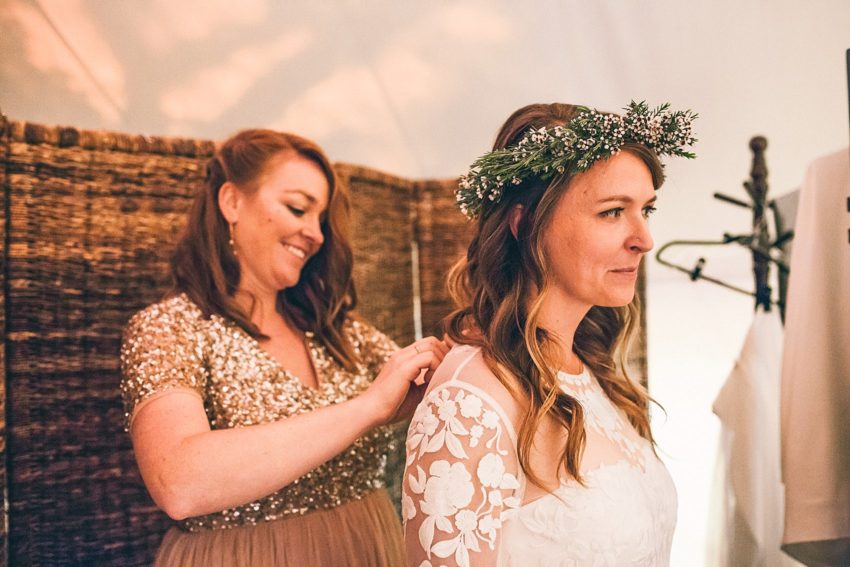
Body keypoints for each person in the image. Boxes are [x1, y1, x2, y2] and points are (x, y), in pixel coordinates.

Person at [120, 128, 448, 567]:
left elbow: (431, 379)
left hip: (368, 547)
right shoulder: (170, 329)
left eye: (323, 221)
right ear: (231, 202)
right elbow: (179, 483)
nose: (314, 233)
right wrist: (367, 407)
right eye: (298, 208)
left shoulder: (340, 334)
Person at [402, 101, 697, 566]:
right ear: (525, 224)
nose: (644, 238)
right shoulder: (470, 400)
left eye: (646, 210)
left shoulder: (591, 369)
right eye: (613, 212)